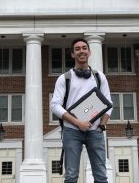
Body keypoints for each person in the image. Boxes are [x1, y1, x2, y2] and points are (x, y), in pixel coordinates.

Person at [50, 38, 113, 183]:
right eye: (77, 49)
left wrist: (102, 125)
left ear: (89, 52)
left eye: (84, 48)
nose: (81, 51)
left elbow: (108, 103)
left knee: (101, 176)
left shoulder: (99, 77)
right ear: (72, 54)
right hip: (71, 131)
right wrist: (78, 123)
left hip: (95, 132)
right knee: (71, 176)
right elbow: (55, 105)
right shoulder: (64, 78)